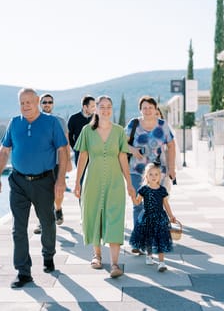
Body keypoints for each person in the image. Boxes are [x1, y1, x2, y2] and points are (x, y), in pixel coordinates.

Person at [0, 88, 68, 288]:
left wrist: (61, 180)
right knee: (18, 228)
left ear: (37, 101)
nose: (25, 106)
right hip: (18, 181)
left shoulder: (51, 122)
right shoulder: (14, 123)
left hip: (44, 181)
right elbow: (5, 151)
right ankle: (23, 272)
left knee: (47, 222)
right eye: (22, 102)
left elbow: (63, 151)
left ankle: (48, 255)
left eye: (29, 102)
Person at [73, 95, 135, 278]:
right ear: (96, 109)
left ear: (112, 109)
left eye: (109, 106)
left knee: (115, 217)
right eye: (102, 107)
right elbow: (83, 157)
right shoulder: (87, 130)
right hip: (92, 181)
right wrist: (77, 182)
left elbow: (123, 158)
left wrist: (130, 184)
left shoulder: (119, 131)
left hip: (115, 182)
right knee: (94, 215)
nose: (105, 110)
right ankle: (97, 256)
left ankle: (115, 263)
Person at [125, 96, 176, 232]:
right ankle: (138, 239)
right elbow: (121, 143)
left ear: (155, 109)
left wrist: (172, 168)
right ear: (140, 110)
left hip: (157, 173)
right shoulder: (133, 124)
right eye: (144, 108)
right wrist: (132, 150)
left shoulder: (162, 125)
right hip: (136, 170)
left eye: (150, 107)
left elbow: (171, 145)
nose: (147, 110)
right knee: (137, 204)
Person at [33, 93, 72, 234]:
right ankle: (41, 222)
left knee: (58, 192)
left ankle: (58, 208)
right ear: (40, 104)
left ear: (53, 104)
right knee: (41, 194)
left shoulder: (60, 121)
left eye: (49, 102)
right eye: (44, 102)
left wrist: (68, 161)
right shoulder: (34, 120)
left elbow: (66, 142)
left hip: (56, 162)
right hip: (40, 164)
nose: (47, 104)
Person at [130, 163, 177, 272]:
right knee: (149, 238)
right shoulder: (144, 189)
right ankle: (149, 255)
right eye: (151, 174)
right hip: (147, 217)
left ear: (160, 176)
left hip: (160, 217)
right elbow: (137, 203)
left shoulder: (162, 190)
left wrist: (171, 216)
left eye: (156, 174)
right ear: (146, 176)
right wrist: (132, 196)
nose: (154, 176)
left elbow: (166, 204)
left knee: (161, 239)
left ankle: (161, 262)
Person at [68, 95, 96, 166]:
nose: (94, 108)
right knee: (81, 176)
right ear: (85, 107)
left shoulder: (97, 118)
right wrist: (75, 148)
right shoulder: (74, 118)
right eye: (92, 106)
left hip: (95, 154)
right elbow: (69, 136)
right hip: (80, 153)